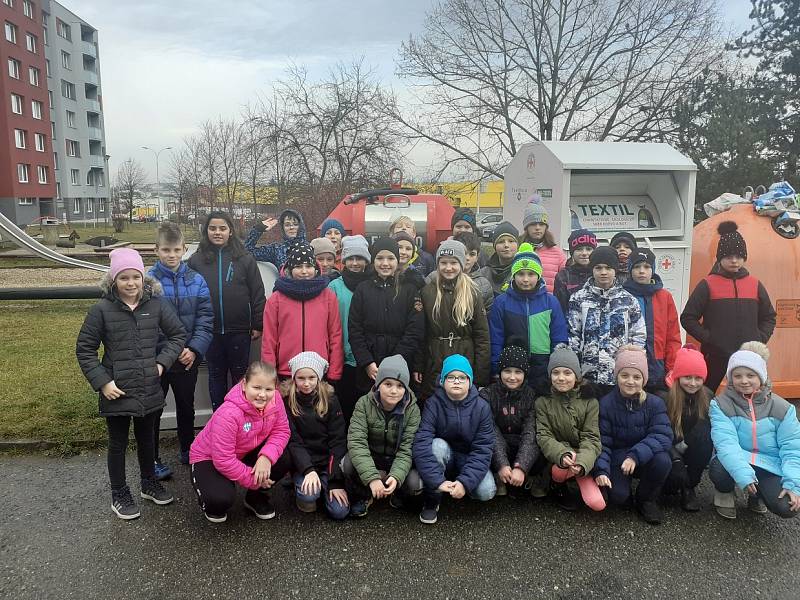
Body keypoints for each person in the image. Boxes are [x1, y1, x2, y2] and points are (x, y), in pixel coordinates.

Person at [76, 248, 186, 520]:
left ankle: (149, 483)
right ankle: (119, 493)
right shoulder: (101, 309)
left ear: (143, 278)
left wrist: (162, 363)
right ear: (113, 281)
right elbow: (85, 349)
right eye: (123, 278)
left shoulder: (156, 305)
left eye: (135, 277)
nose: (130, 283)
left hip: (149, 387)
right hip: (117, 390)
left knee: (147, 439)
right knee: (118, 443)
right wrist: (103, 382)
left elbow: (177, 335)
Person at [148, 222, 214, 477]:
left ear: (184, 249)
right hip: (158, 360)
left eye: (176, 250)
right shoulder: (148, 282)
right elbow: (146, 323)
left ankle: (188, 448)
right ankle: (151, 457)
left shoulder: (196, 280)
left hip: (187, 357)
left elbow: (205, 319)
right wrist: (165, 353)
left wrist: (195, 349)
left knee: (187, 406)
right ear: (156, 250)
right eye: (166, 250)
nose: (171, 255)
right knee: (154, 408)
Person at [189, 361, 291, 523]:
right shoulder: (229, 413)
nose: (263, 394)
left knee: (284, 457)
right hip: (209, 457)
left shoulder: (276, 399)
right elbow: (223, 459)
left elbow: (282, 431)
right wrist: (254, 481)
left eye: (268, 389)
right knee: (219, 500)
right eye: (256, 388)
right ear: (244, 385)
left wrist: (266, 458)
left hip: (243, 450)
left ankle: (254, 498)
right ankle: (209, 497)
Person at [681, 221, 776, 392]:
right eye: (728, 256)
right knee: (706, 394)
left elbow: (769, 316)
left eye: (739, 256)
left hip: (748, 356)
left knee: (748, 395)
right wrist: (710, 339)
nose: (734, 261)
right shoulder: (707, 284)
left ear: (744, 258)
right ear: (720, 258)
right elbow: (688, 318)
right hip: (715, 355)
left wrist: (759, 338)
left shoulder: (755, 284)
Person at [709, 343, 800, 520]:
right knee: (719, 467)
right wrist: (743, 474)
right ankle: (724, 492)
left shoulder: (783, 408)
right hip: (737, 458)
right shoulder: (720, 404)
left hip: (769, 463)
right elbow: (726, 444)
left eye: (750, 375)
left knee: (787, 506)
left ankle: (757, 495)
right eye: (737, 375)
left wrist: (793, 484)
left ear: (762, 377)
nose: (744, 380)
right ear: (730, 378)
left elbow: (792, 449)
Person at [188, 212, 266, 411]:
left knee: (240, 376)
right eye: (213, 228)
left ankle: (240, 418)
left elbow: (257, 292)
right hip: (209, 330)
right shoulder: (196, 260)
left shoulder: (244, 258)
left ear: (230, 231)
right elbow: (190, 295)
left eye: (222, 228)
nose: (217, 232)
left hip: (239, 330)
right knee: (216, 375)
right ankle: (219, 419)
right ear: (206, 231)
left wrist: (257, 324)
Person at [593, 346, 673, 524]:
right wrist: (602, 470)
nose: (630, 381)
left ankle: (646, 499)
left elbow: (663, 435)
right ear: (617, 377)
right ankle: (623, 490)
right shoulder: (605, 404)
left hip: (643, 455)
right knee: (619, 497)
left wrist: (635, 456)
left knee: (663, 461)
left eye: (637, 377)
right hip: (618, 457)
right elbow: (602, 442)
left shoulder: (655, 403)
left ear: (644, 380)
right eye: (624, 375)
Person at [413, 355, 496, 524]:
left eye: (462, 377)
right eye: (450, 377)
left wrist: (465, 483)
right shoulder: (433, 404)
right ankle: (433, 499)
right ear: (443, 381)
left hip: (468, 458)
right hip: (444, 456)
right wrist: (437, 481)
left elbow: (483, 448)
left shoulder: (482, 407)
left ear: (470, 381)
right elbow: (421, 442)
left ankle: (459, 488)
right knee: (436, 445)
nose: (456, 381)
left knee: (486, 491)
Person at [344, 355, 422, 517]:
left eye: (400, 386)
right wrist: (372, 478)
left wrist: (396, 475)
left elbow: (407, 448)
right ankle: (363, 495)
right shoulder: (363, 404)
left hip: (396, 458)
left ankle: (397, 491)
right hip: (373, 456)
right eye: (388, 384)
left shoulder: (412, 410)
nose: (394, 391)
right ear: (378, 384)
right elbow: (357, 442)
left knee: (415, 482)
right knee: (348, 463)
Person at [275, 351, 350, 519]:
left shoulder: (330, 400)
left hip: (327, 463)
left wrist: (335, 481)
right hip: (304, 463)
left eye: (311, 378)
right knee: (309, 496)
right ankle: (301, 483)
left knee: (340, 512)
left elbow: (338, 440)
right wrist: (308, 469)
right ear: (294, 379)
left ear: (319, 378)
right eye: (301, 378)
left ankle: (324, 487)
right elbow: (293, 441)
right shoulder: (287, 401)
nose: (306, 383)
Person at [348, 237, 425, 395]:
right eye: (380, 258)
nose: (385, 263)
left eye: (390, 258)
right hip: (370, 365)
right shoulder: (362, 289)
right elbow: (355, 329)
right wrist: (367, 362)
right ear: (373, 260)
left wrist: (396, 360)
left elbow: (415, 330)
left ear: (397, 260)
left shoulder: (409, 289)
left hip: (401, 362)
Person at [416, 239, 490, 399]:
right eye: (443, 263)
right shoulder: (427, 292)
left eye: (453, 263)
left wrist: (481, 374)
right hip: (434, 360)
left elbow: (482, 336)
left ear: (462, 264)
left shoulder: (473, 293)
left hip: (464, 358)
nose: (448, 268)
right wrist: (419, 366)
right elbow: (421, 333)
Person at [567, 246, 645, 397]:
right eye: (598, 268)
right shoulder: (578, 299)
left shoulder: (629, 301)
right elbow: (573, 335)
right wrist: (576, 370)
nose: (603, 272)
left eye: (608, 268)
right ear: (592, 269)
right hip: (588, 376)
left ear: (615, 269)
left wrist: (631, 367)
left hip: (618, 376)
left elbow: (638, 336)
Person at [489, 243, 568, 393]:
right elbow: (496, 338)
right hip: (512, 368)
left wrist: (556, 367)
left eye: (531, 274)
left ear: (539, 275)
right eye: (520, 274)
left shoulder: (550, 302)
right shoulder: (502, 302)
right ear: (513, 275)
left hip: (542, 367)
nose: (525, 279)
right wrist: (496, 366)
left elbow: (559, 337)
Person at [261, 242, 343, 384]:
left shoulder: (328, 296)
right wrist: (269, 373)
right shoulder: (276, 299)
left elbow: (335, 335)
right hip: (286, 371)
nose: (304, 271)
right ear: (290, 269)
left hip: (318, 370)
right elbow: (269, 339)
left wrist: (334, 371)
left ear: (316, 269)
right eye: (298, 267)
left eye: (308, 266)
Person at [535, 345, 604, 512]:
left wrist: (582, 462)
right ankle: (557, 485)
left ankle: (579, 476)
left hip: (582, 457)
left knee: (597, 504)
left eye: (567, 373)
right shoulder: (542, 402)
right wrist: (562, 453)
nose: (561, 378)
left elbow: (591, 438)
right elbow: (544, 435)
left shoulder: (590, 402)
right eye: (556, 373)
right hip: (558, 456)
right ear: (550, 375)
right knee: (559, 470)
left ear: (577, 376)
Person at [479, 344, 539, 498]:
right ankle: (500, 477)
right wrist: (501, 464)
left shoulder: (530, 395)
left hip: (520, 446)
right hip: (498, 448)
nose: (512, 377)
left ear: (525, 374)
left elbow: (530, 431)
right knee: (484, 441)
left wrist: (521, 466)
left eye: (518, 372)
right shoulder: (488, 395)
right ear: (500, 373)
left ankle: (526, 477)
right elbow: (490, 430)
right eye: (507, 371)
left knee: (537, 442)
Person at [328, 235, 373, 424]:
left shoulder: (372, 285)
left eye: (359, 258)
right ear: (344, 260)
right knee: (344, 405)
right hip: (342, 356)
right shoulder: (334, 287)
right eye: (350, 259)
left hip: (367, 358)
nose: (355, 263)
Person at [622, 249, 681, 393]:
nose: (642, 271)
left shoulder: (664, 296)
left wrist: (672, 368)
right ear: (630, 269)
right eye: (637, 267)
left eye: (647, 267)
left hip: (658, 369)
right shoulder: (622, 295)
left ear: (653, 269)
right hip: (629, 369)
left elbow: (673, 337)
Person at [663, 344, 713, 512]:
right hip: (669, 446)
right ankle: (671, 480)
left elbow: (705, 431)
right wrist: (676, 457)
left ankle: (689, 487)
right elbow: (660, 433)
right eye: (687, 377)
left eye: (698, 378)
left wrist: (687, 443)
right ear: (678, 376)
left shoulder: (708, 396)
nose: (692, 383)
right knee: (669, 489)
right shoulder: (665, 397)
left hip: (692, 445)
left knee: (706, 436)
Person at [426, 231, 493, 310]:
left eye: (472, 254)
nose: (467, 258)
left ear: (477, 257)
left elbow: (485, 315)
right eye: (464, 253)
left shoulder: (484, 284)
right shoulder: (433, 278)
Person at [520, 200, 566, 293]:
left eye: (541, 224)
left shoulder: (557, 253)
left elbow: (565, 281)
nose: (537, 227)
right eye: (533, 224)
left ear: (546, 227)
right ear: (526, 227)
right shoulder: (518, 250)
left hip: (549, 304)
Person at [553, 228, 597, 313]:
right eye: (579, 249)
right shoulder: (563, 276)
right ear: (572, 252)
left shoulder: (599, 274)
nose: (584, 253)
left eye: (588, 249)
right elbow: (559, 309)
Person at [479, 221, 519, 296]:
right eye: (501, 242)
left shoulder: (524, 271)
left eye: (511, 241)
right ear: (494, 246)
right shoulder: (483, 273)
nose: (506, 245)